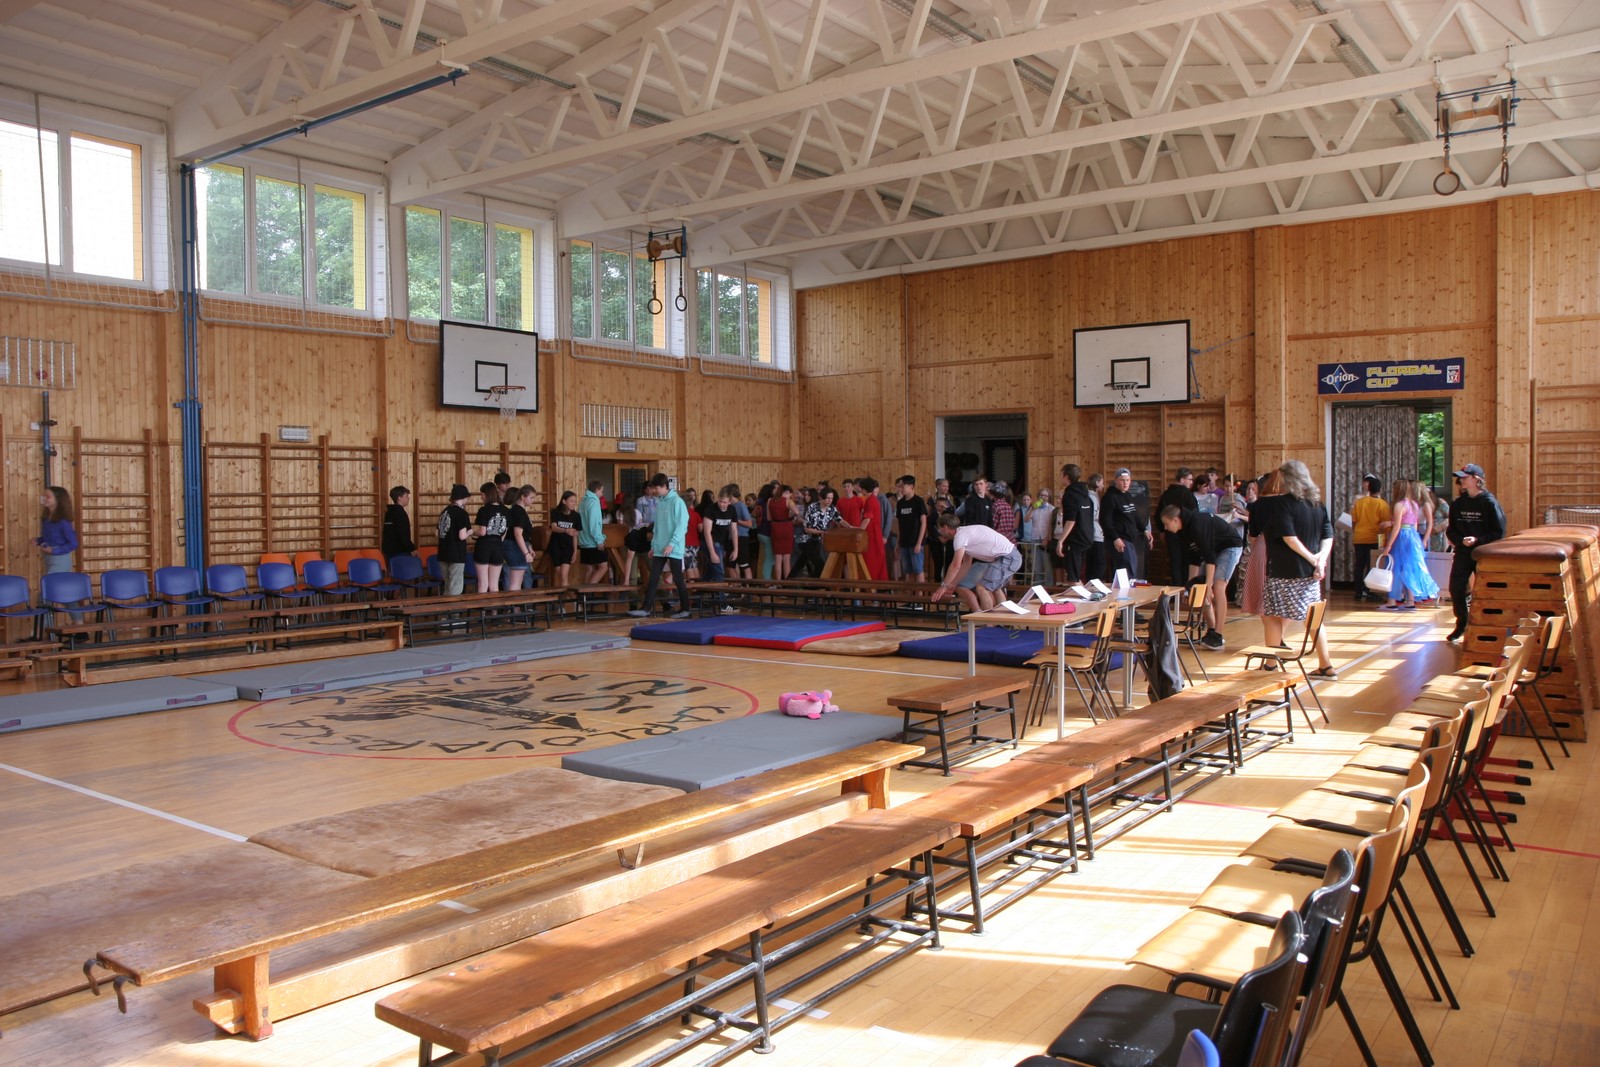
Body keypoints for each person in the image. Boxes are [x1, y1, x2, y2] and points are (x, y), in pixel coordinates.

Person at [1261, 459, 1335, 675]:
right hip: (1310, 574)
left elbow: (1289, 538)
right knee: (1312, 619)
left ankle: (1271, 664)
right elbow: (1328, 536)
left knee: (1271, 616)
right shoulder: (1317, 504)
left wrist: (1313, 559)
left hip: (1285, 571)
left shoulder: (1282, 504)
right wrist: (1320, 560)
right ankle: (1326, 665)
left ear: (1287, 479)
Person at [1159, 504, 1244, 649]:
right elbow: (1194, 557)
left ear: (1175, 520)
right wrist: (1189, 587)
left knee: (1218, 587)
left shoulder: (1197, 524)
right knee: (1197, 588)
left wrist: (1208, 586)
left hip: (1229, 547)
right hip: (1213, 551)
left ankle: (1218, 635)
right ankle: (1211, 629)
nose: (1166, 528)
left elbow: (1210, 557)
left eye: (1167, 524)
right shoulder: (1181, 532)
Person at [1445, 463, 1505, 642]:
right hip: (1463, 552)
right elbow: (1451, 530)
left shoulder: (1489, 502)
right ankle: (1461, 624)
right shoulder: (1458, 504)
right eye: (1460, 478)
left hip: (1483, 554)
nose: (1461, 480)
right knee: (1456, 588)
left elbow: (1499, 532)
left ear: (1476, 479)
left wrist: (1477, 540)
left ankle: (1489, 625)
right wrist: (1460, 540)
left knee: (1486, 590)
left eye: (1465, 477)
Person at [628, 473, 692, 619]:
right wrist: (653, 546)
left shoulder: (677, 502)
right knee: (653, 578)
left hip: (673, 548)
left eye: (656, 488)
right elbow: (657, 527)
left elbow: (682, 526)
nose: (654, 491)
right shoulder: (660, 502)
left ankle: (685, 609)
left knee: (678, 579)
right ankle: (645, 608)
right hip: (659, 548)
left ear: (664, 486)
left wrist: (671, 544)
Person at [930, 514, 1022, 612]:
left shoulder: (960, 537)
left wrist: (943, 587)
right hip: (1011, 556)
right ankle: (1001, 619)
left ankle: (987, 621)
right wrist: (953, 584)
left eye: (939, 528)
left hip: (1007, 557)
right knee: (996, 589)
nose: (938, 532)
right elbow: (966, 564)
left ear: (945, 528)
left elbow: (955, 565)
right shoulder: (965, 533)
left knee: (982, 588)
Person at [1380, 477, 1438, 610]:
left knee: (1395, 566)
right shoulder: (1414, 504)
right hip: (1413, 536)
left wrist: (1388, 545)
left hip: (1402, 536)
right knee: (1409, 567)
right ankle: (1410, 600)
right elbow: (1415, 524)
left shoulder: (1399, 505)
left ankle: (1392, 600)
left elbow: (1397, 527)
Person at [1100, 468, 1149, 580]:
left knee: (1131, 569)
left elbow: (1134, 515)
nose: (1125, 483)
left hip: (1130, 539)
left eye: (1127, 480)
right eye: (1122, 480)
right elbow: (1105, 521)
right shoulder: (1110, 497)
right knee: (1125, 570)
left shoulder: (1127, 495)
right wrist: (1115, 538)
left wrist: (1144, 529)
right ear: (1116, 480)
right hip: (1119, 539)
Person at [1348, 474, 1390, 602]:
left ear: (1369, 488)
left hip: (1359, 537)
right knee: (1372, 566)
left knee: (1359, 565)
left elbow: (1353, 520)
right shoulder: (1383, 505)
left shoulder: (1359, 502)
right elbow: (1385, 525)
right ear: (1380, 489)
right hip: (1374, 538)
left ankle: (1358, 592)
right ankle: (1371, 591)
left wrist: (1356, 532)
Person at [1055, 464, 1095, 584]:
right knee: (1076, 576)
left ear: (1066, 477)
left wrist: (1061, 540)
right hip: (1087, 537)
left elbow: (1071, 520)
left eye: (1061, 475)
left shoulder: (1069, 494)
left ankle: (1081, 597)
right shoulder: (1085, 494)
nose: (1060, 477)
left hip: (1075, 540)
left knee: (1072, 579)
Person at [1157, 467, 1198, 583]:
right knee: (1186, 561)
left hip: (1170, 533)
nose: (1191, 482)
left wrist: (1162, 530)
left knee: (1175, 562)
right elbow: (1195, 514)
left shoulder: (1166, 494)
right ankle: (1185, 588)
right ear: (1182, 479)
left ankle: (1176, 589)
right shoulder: (1187, 495)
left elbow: (1158, 514)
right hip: (1186, 534)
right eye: (1190, 479)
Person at [471, 482, 509, 594]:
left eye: (482, 494)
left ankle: (482, 606)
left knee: (483, 584)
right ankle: (495, 606)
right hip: (498, 546)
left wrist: (472, 531)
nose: (481, 497)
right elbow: (504, 531)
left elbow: (482, 532)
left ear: (487, 494)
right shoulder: (505, 510)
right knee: (494, 585)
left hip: (484, 546)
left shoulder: (484, 510)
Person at [435, 483, 472, 596]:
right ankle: (454, 608)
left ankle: (446, 607)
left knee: (447, 584)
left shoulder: (445, 511)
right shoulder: (462, 513)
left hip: (443, 552)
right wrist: (471, 531)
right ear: (464, 497)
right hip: (456, 553)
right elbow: (462, 536)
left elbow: (436, 533)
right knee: (455, 585)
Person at [797, 486, 841, 578]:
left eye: (831, 498)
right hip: (806, 540)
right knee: (820, 565)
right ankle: (811, 584)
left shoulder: (831, 508)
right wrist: (822, 532)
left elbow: (839, 519)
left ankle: (789, 582)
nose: (830, 500)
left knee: (800, 563)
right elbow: (807, 529)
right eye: (828, 498)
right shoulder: (812, 507)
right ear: (821, 497)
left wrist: (850, 526)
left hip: (816, 541)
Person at [36, 486, 79, 574]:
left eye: (48, 497)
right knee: (49, 581)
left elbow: (73, 543)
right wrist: (38, 541)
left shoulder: (63, 522)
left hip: (60, 558)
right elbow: (50, 537)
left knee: (51, 581)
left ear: (58, 500)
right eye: (44, 496)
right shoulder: (46, 519)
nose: (44, 499)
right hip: (48, 557)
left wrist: (54, 551)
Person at [894, 476, 928, 582]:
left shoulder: (918, 501)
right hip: (904, 542)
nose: (900, 489)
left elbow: (923, 523)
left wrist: (919, 543)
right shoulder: (900, 503)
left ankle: (920, 592)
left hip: (915, 541)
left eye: (903, 486)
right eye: (899, 487)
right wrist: (898, 543)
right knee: (907, 571)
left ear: (911, 486)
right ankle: (909, 592)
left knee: (918, 570)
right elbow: (900, 525)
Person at [503, 485, 536, 590]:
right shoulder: (519, 512)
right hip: (514, 546)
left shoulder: (515, 510)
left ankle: (515, 601)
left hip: (514, 545)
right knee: (516, 582)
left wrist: (528, 548)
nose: (533, 500)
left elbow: (523, 534)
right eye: (531, 498)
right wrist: (526, 553)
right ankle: (514, 601)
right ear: (522, 497)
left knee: (517, 580)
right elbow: (517, 534)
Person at [857, 476, 889, 580]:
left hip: (872, 535)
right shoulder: (872, 499)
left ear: (865, 489)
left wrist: (857, 532)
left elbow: (867, 519)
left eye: (861, 488)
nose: (860, 490)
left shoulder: (870, 501)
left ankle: (871, 583)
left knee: (871, 560)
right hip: (873, 533)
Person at [577, 480, 609, 584]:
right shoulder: (594, 503)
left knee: (589, 569)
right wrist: (599, 540)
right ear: (596, 490)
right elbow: (594, 523)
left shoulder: (582, 503)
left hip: (583, 541)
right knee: (603, 567)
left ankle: (584, 593)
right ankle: (589, 590)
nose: (602, 494)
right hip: (592, 542)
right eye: (601, 491)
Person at [547, 490, 580, 587]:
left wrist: (575, 550)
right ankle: (567, 594)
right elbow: (554, 527)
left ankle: (566, 595)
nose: (574, 503)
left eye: (575, 501)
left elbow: (575, 535)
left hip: (568, 547)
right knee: (562, 577)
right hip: (555, 545)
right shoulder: (555, 512)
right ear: (564, 501)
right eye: (571, 501)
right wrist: (566, 530)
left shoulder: (576, 516)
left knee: (563, 575)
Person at [767, 485, 795, 580]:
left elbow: (769, 518)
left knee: (778, 558)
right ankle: (787, 582)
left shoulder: (770, 500)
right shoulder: (788, 501)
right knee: (786, 558)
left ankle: (778, 582)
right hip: (787, 527)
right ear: (787, 492)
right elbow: (796, 512)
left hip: (775, 527)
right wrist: (789, 515)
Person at [381, 486, 414, 563]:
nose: (408, 498)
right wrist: (412, 548)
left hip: (388, 550)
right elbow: (403, 534)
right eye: (406, 496)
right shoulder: (400, 513)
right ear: (399, 498)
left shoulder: (389, 512)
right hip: (400, 551)